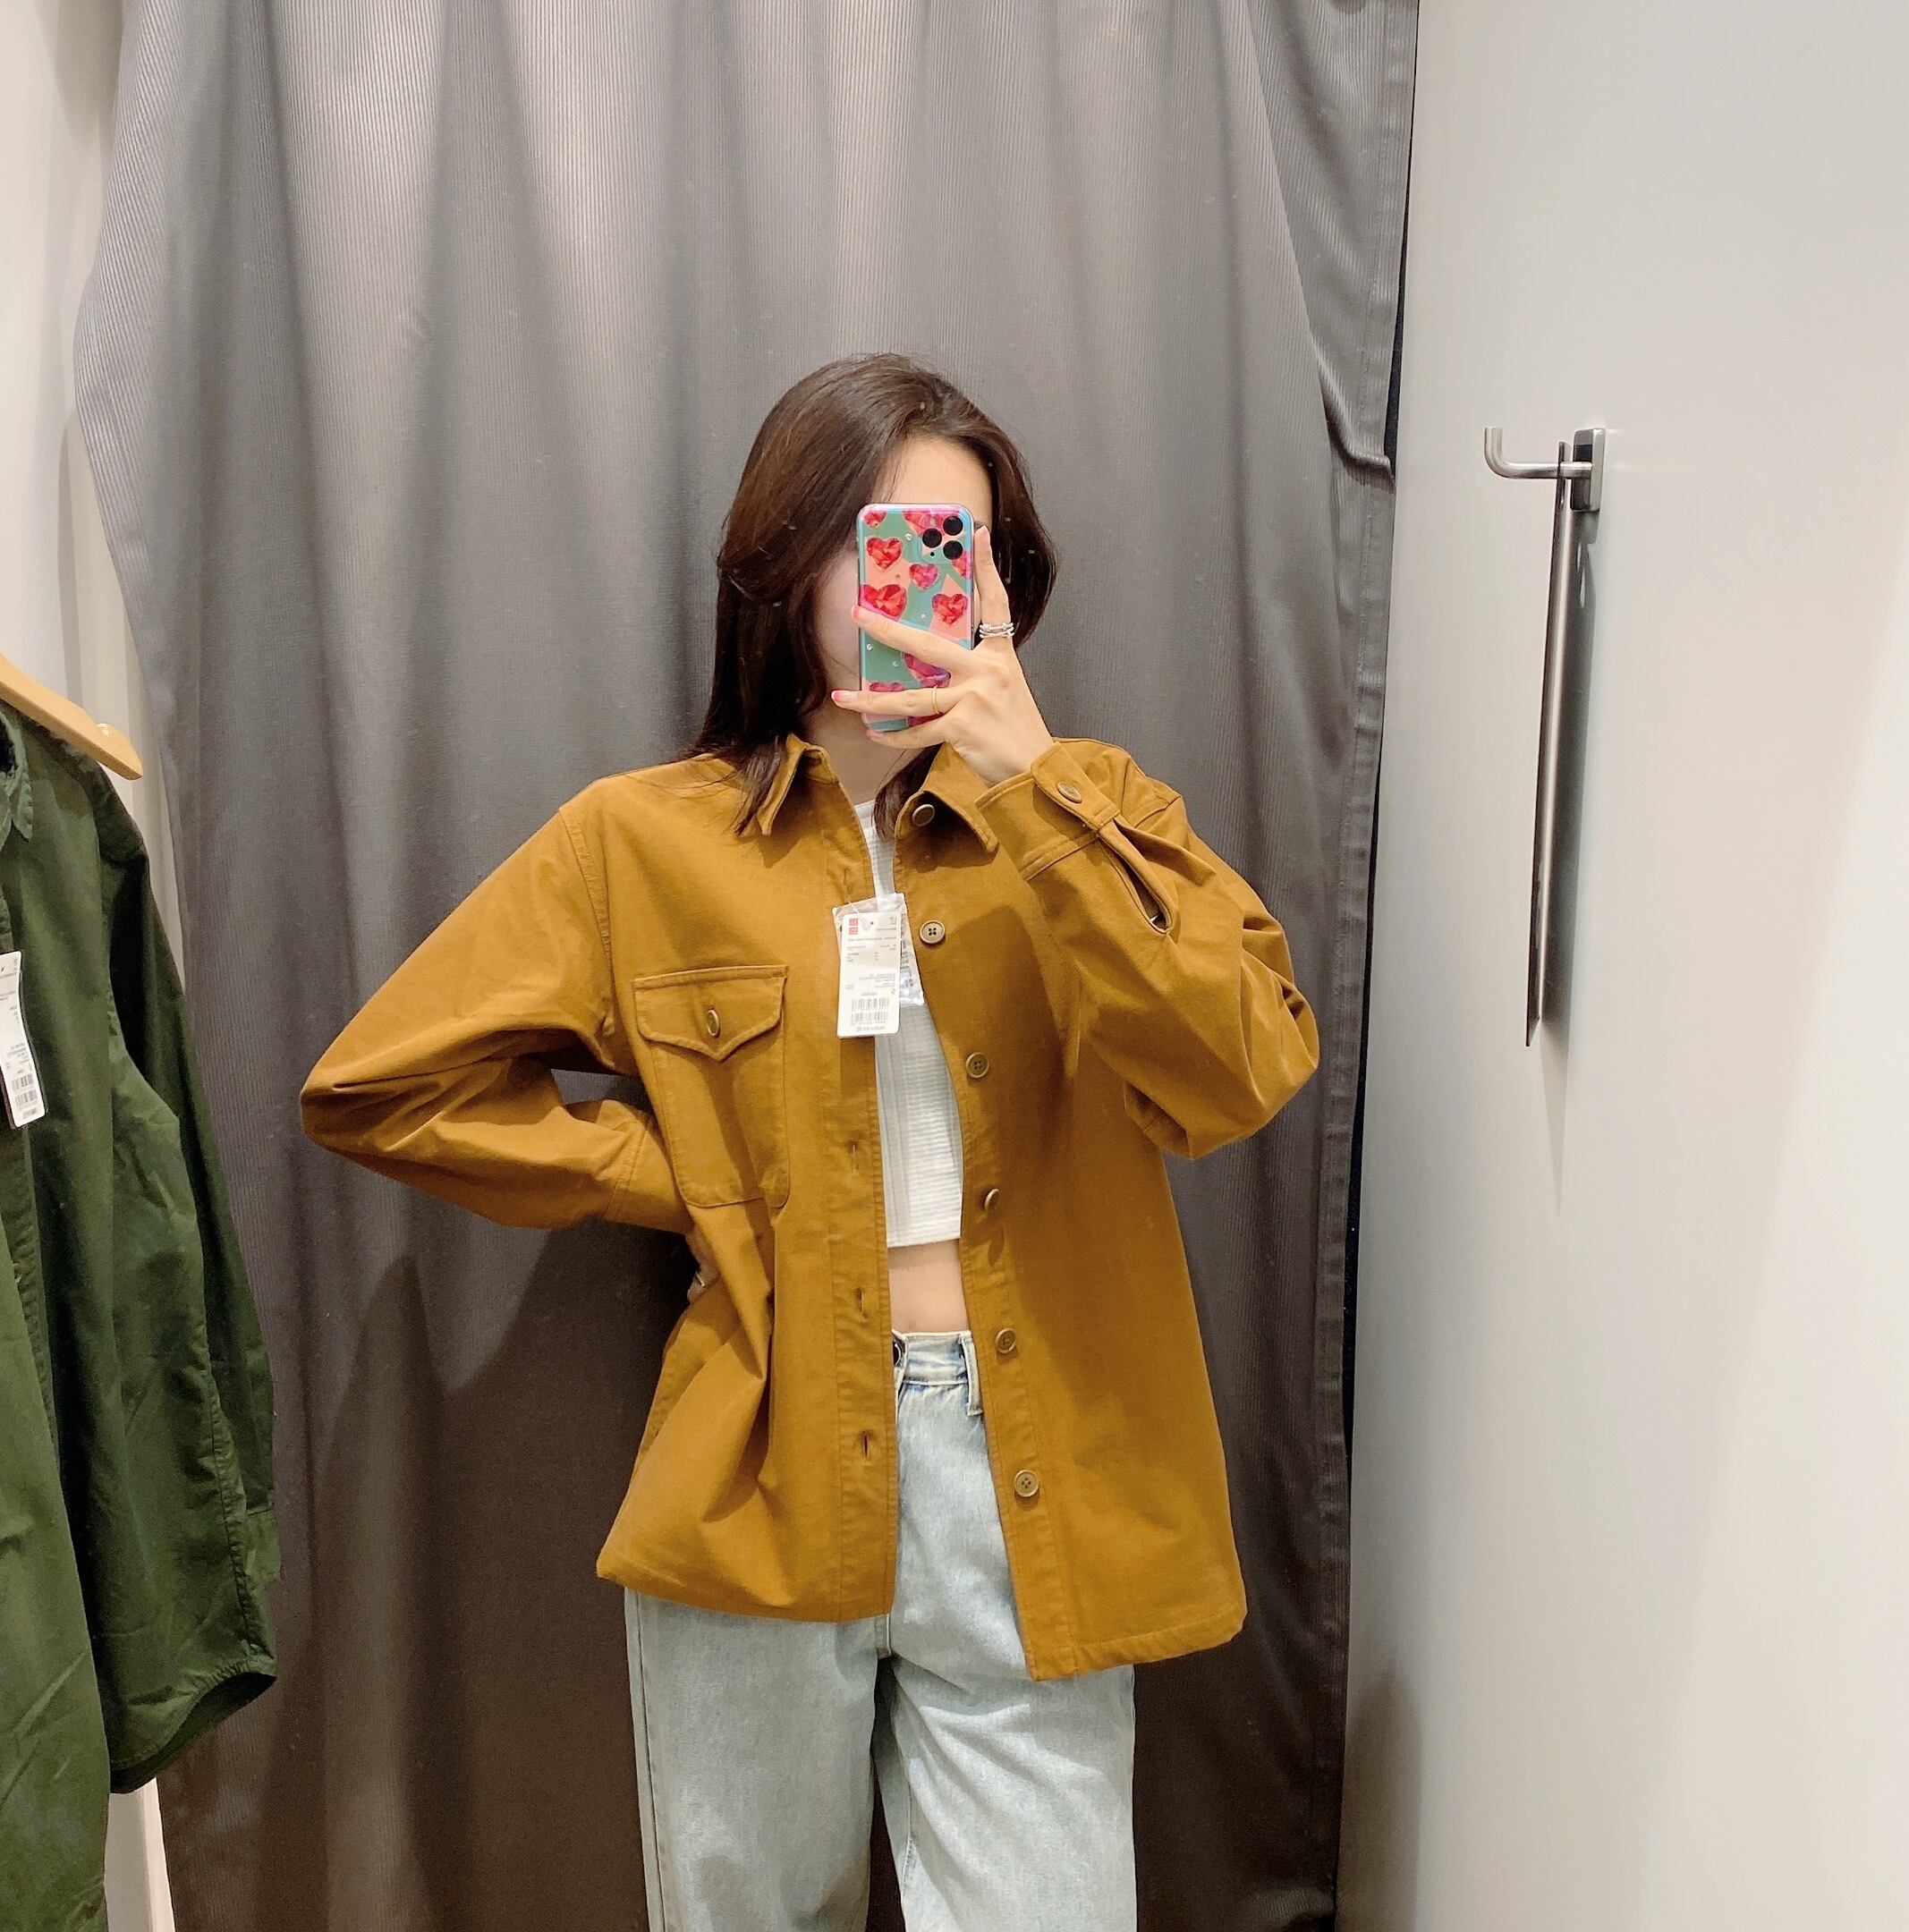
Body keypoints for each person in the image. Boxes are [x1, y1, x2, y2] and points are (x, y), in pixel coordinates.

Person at [300, 350, 1319, 1931]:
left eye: (960, 549)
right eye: (882, 542)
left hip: (1038, 1462)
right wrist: (688, 1180)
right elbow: (382, 1084)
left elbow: (1240, 1066)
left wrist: (1034, 786)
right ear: (790, 566)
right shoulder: (644, 843)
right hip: (767, 1457)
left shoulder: (1094, 806)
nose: (926, 588)